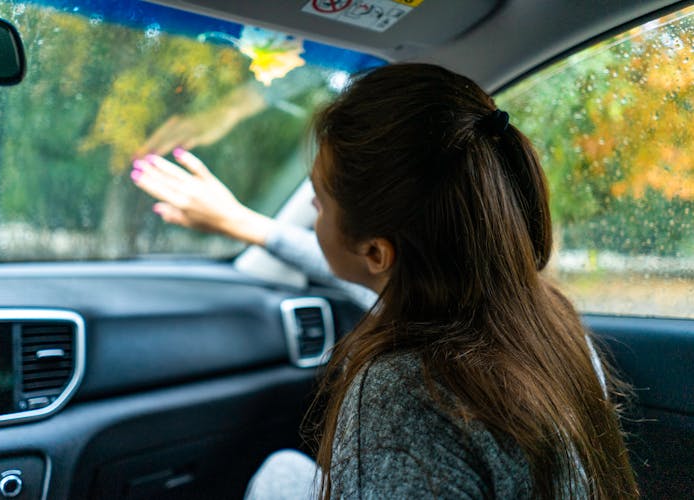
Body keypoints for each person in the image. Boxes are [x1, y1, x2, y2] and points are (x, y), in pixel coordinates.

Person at [131, 63, 638, 499]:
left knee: (279, 475)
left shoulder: (406, 392)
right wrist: (245, 225)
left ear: (377, 252)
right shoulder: (545, 320)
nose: (310, 211)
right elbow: (372, 280)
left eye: (319, 199)